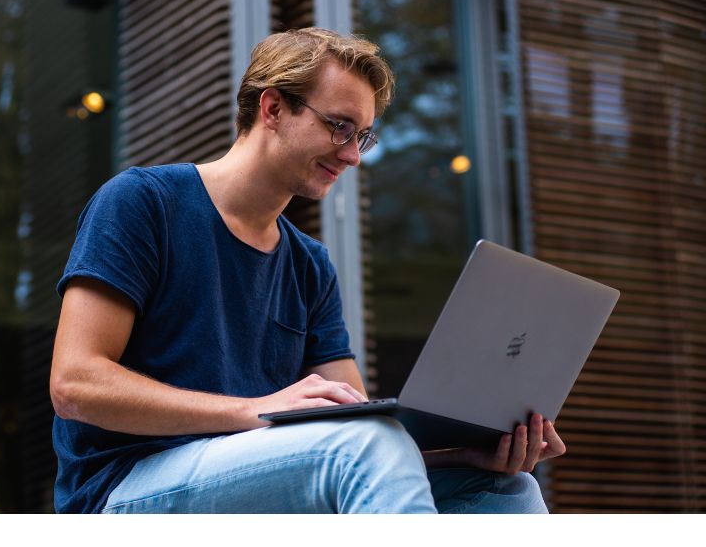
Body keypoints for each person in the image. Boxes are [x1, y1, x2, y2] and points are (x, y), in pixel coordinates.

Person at [49, 27, 565, 514]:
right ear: (272, 107)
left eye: (362, 136)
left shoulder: (309, 264)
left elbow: (358, 431)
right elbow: (75, 385)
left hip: (256, 477)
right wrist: (255, 410)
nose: (352, 156)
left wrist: (461, 454)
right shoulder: (143, 203)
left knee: (505, 489)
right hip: (124, 489)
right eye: (339, 126)